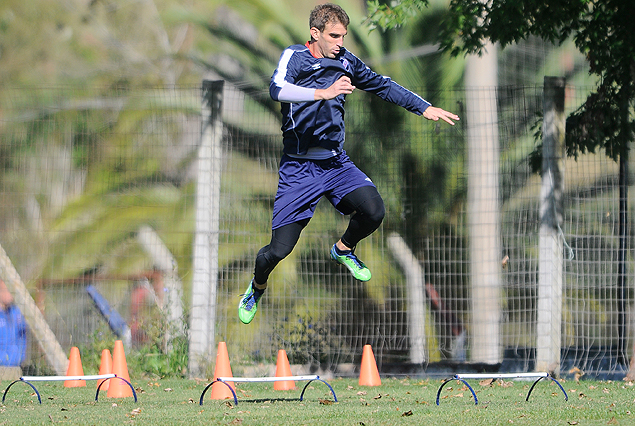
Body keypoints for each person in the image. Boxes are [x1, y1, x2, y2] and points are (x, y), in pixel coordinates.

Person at [238, 3, 459, 324]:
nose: (340, 41)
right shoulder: (295, 57)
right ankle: (257, 287)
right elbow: (277, 89)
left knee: (374, 211)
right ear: (315, 34)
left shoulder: (345, 61)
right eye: (333, 35)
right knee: (278, 250)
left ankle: (343, 249)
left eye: (343, 35)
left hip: (336, 164)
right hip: (299, 170)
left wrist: (423, 107)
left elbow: (383, 85)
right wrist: (322, 93)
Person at [0, 279, 28, 366]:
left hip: (16, 365)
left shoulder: (17, 313)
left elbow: (23, 334)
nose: (10, 293)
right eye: (6, 290)